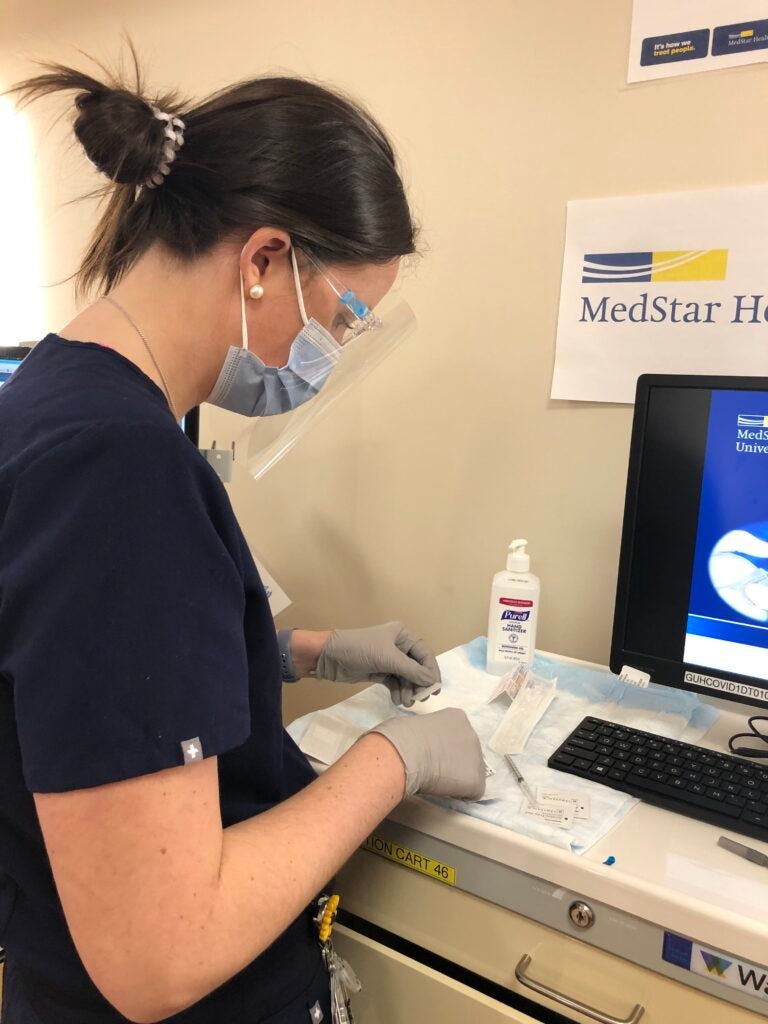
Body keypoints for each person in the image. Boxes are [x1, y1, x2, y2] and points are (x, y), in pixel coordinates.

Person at [0, 51, 486, 1024]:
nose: (331, 358)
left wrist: (306, 650)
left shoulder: (58, 400)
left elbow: (81, 682)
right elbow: (162, 954)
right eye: (344, 320)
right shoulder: (118, 467)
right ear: (263, 261)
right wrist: (395, 758)